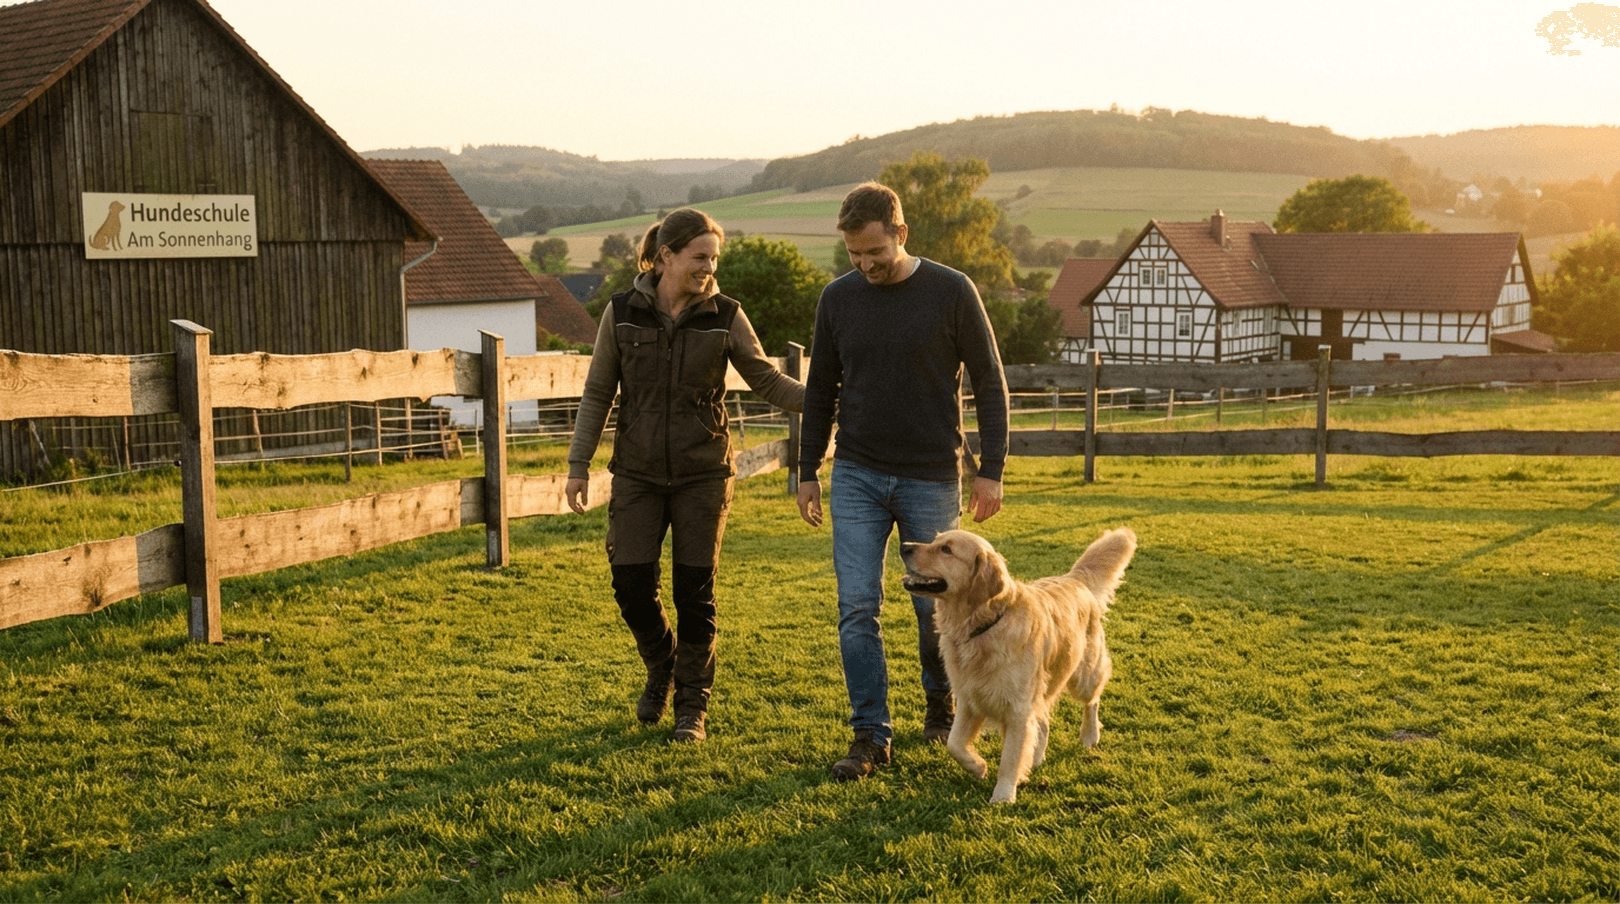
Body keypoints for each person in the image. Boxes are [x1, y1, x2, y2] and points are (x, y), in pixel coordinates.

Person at [796, 181, 1010, 780]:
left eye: (875, 254)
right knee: (856, 608)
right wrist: (808, 468)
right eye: (853, 256)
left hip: (931, 473)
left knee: (933, 609)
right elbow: (820, 391)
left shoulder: (951, 290)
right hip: (857, 472)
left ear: (901, 234)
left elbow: (991, 381)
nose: (864, 266)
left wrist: (990, 470)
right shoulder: (837, 299)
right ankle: (870, 736)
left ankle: (943, 708)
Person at [566, 208, 804, 744]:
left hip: (704, 474)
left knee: (694, 591)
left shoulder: (725, 313)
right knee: (630, 585)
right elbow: (598, 391)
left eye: (714, 259)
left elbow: (766, 379)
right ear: (667, 256)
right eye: (700, 258)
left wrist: (828, 402)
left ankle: (691, 705)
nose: (709, 268)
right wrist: (578, 464)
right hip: (637, 473)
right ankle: (663, 667)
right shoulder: (622, 312)